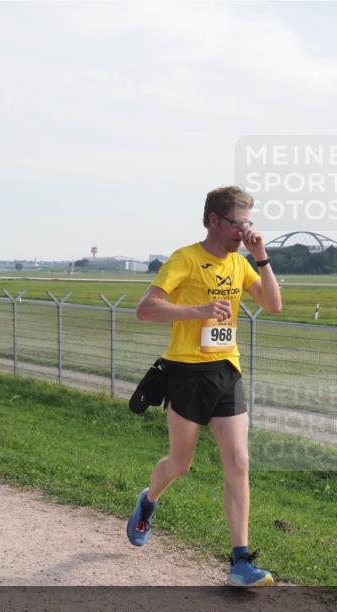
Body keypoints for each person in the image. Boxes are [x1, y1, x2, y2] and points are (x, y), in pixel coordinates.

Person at [132, 186, 282, 587]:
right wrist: (196, 311)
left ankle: (240, 560)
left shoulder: (240, 263)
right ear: (215, 220)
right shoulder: (186, 259)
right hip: (184, 371)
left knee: (238, 461)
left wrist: (261, 258)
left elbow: (273, 305)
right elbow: (145, 309)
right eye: (238, 223)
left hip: (225, 370)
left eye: (248, 223)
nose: (243, 231)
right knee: (180, 464)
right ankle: (148, 500)